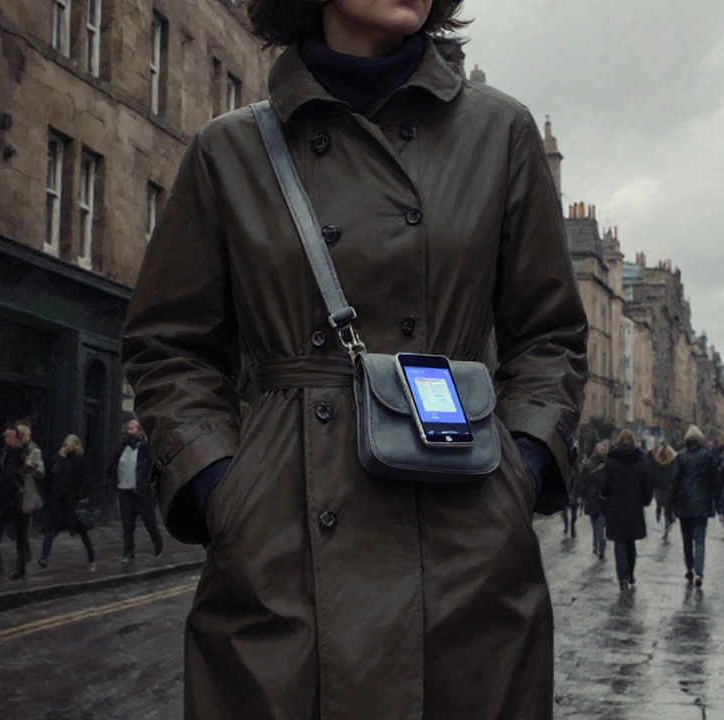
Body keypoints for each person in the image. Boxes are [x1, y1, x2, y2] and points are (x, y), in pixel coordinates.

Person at [121, 2, 588, 714]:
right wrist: (222, 488)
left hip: (466, 542)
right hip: (281, 546)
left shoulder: (501, 132)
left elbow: (550, 334)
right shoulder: (230, 149)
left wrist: (519, 471)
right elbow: (170, 343)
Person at [0, 421, 42, 580]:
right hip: (1, 500)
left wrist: (25, 470)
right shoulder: (2, 454)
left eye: (10, 436)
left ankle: (20, 569)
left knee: (21, 536)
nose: (7, 439)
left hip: (19, 501)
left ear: (17, 436)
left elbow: (39, 472)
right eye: (5, 437)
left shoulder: (27, 453)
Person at [601, 430, 653, 591]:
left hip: (616, 505)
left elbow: (606, 485)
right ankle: (630, 574)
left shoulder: (611, 460)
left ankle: (622, 578)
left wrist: (605, 496)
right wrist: (646, 499)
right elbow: (647, 481)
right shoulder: (641, 459)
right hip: (634, 505)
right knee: (630, 542)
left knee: (619, 542)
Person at [668, 425, 719, 587]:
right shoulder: (708, 456)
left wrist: (671, 501)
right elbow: (714, 480)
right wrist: (715, 499)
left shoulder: (680, 457)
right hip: (702, 502)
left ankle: (689, 567)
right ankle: (699, 572)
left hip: (684, 504)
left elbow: (674, 481)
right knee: (700, 540)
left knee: (687, 539)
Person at [107, 420, 163, 563]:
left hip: (142, 492)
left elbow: (155, 468)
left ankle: (159, 548)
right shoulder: (122, 447)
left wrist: (150, 486)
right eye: (127, 428)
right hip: (125, 490)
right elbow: (113, 466)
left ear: (139, 430)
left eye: (131, 428)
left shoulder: (146, 448)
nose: (128, 431)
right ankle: (128, 553)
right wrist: (115, 482)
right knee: (127, 526)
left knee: (150, 523)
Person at [39, 434, 97, 571]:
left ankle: (92, 557)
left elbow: (87, 481)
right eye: (65, 444)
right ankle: (43, 557)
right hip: (57, 502)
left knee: (81, 531)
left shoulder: (80, 460)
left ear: (75, 445)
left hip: (71, 503)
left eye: (69, 444)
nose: (66, 447)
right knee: (51, 529)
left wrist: (79, 496)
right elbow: (50, 477)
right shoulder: (57, 459)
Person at [576, 441, 609, 559]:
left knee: (598, 524)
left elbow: (581, 484)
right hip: (596, 501)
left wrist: (583, 496)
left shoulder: (605, 465)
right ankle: (598, 543)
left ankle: (600, 545)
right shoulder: (589, 465)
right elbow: (582, 483)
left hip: (598, 501)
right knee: (597, 524)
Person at [652, 443, 677, 540]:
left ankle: (658, 512)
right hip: (669, 489)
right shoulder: (673, 464)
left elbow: (653, 477)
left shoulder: (656, 463)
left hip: (659, 489)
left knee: (659, 502)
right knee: (668, 509)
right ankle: (668, 523)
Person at [562, 453, 582, 539]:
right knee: (572, 513)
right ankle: (571, 528)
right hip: (573, 495)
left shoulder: (566, 468)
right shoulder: (578, 468)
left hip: (570, 494)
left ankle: (568, 528)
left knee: (566, 512)